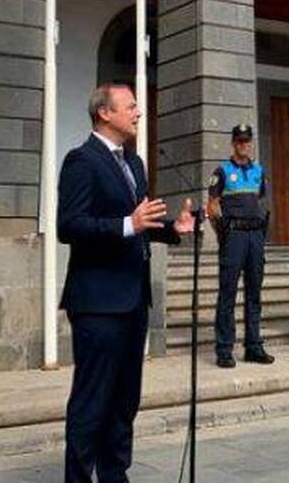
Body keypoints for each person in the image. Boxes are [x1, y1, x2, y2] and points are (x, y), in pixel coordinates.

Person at [57, 84, 196, 483]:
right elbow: (69, 225)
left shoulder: (134, 164)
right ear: (105, 113)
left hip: (133, 300)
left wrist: (172, 228)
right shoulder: (81, 161)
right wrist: (127, 224)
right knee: (92, 401)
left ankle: (115, 475)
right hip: (98, 302)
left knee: (124, 401)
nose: (138, 112)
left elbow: (142, 224)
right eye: (131, 106)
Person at [206, 124, 274, 369]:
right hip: (234, 236)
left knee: (254, 293)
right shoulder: (222, 172)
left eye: (247, 141)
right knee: (228, 294)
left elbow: (261, 200)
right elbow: (212, 207)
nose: (244, 145)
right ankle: (224, 349)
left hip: (255, 235)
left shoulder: (258, 170)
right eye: (240, 141)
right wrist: (222, 233)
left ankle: (254, 346)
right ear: (233, 143)